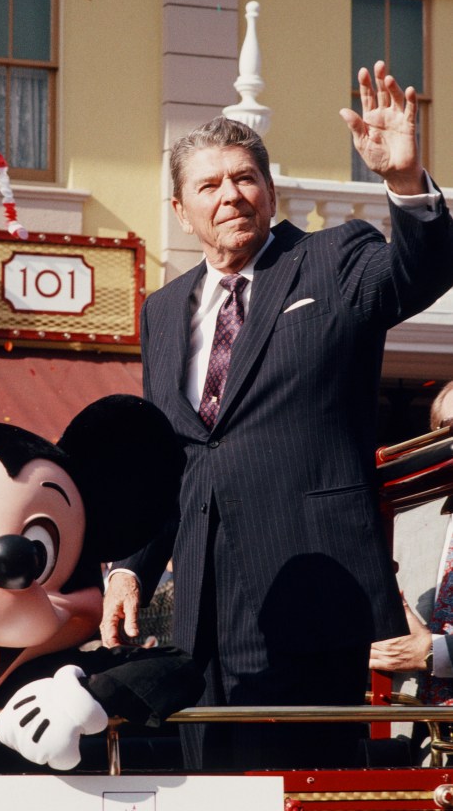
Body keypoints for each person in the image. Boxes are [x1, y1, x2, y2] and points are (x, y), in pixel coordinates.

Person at [100, 61, 453, 772]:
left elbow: (419, 272)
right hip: (199, 610)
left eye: (244, 178)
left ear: (268, 189)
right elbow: (172, 458)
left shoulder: (333, 258)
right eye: (209, 185)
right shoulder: (163, 312)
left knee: (300, 788)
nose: (230, 195)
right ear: (180, 208)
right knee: (213, 789)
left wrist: (406, 183)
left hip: (314, 593)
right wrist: (130, 569)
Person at [370, 381, 453, 764]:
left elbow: (423, 650)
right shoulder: (403, 518)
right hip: (410, 743)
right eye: (449, 428)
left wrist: (435, 652)